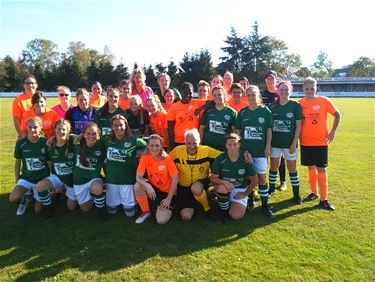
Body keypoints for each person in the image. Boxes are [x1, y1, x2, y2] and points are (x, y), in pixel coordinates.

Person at [299, 77, 341, 210]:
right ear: (303, 89)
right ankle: (314, 193)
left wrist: (333, 131)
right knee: (310, 167)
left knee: (321, 169)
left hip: (321, 142)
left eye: (312, 88)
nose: (310, 91)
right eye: (307, 89)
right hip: (305, 142)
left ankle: (324, 199)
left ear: (316, 88)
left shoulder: (324, 101)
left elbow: (337, 115)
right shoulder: (299, 103)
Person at [235, 85, 274, 218]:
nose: (251, 97)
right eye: (249, 95)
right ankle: (250, 200)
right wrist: (241, 149)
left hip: (260, 152)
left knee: (262, 179)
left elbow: (269, 130)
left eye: (253, 94)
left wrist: (268, 146)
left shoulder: (265, 111)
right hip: (246, 152)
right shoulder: (242, 112)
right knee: (248, 177)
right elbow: (238, 132)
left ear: (258, 95)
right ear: (246, 96)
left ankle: (264, 206)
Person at [169, 129, 221, 221]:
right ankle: (195, 203)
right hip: (183, 187)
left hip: (200, 183)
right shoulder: (177, 151)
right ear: (184, 141)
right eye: (189, 143)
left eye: (195, 143)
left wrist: (243, 154)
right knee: (186, 217)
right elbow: (165, 160)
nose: (192, 146)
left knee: (195, 188)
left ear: (199, 140)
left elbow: (223, 155)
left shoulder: (206, 150)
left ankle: (207, 209)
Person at [103, 114, 147, 216]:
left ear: (126, 126)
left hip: (128, 181)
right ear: (112, 127)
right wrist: (79, 136)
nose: (118, 128)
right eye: (115, 125)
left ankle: (134, 204)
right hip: (111, 180)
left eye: (121, 125)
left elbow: (149, 147)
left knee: (129, 213)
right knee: (112, 211)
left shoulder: (134, 140)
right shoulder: (106, 139)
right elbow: (91, 140)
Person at [268, 81, 302, 204]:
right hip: (275, 143)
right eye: (281, 89)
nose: (284, 92)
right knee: (273, 167)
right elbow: (269, 128)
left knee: (292, 169)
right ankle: (271, 189)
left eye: (286, 89)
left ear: (291, 90)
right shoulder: (272, 107)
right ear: (278, 91)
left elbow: (298, 126)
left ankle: (296, 195)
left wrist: (294, 143)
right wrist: (269, 143)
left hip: (290, 144)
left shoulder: (295, 106)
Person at [211, 133, 258, 221]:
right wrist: (224, 182)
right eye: (229, 144)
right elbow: (213, 179)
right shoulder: (220, 159)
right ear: (225, 145)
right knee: (222, 188)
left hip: (240, 190)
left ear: (239, 144)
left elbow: (254, 181)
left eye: (235, 144)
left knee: (236, 216)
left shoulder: (246, 159)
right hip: (225, 188)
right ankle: (223, 212)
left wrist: (244, 194)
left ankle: (224, 203)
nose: (232, 147)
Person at [134, 134, 179, 224]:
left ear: (161, 146)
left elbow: (175, 179)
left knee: (161, 220)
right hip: (154, 189)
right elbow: (138, 177)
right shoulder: (145, 157)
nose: (154, 148)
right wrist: (148, 186)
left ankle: (164, 206)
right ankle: (146, 212)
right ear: (148, 146)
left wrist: (169, 199)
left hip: (168, 192)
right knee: (137, 186)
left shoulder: (167, 159)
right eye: (152, 145)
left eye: (157, 145)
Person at [10, 116, 50, 215]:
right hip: (27, 178)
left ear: (40, 127)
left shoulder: (45, 142)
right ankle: (25, 198)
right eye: (30, 127)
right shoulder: (21, 144)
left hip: (42, 180)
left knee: (38, 210)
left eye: (35, 127)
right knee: (13, 198)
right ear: (26, 127)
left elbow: (50, 162)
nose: (32, 129)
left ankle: (32, 194)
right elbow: (17, 163)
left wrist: (50, 180)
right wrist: (17, 180)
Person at [36, 119, 76, 214]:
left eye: (64, 129)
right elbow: (50, 163)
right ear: (54, 129)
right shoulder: (50, 145)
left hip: (72, 180)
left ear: (68, 131)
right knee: (40, 186)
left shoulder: (73, 141)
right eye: (58, 129)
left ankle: (65, 194)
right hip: (58, 178)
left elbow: (84, 137)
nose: (61, 132)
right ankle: (49, 206)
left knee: (71, 208)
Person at [72, 122, 106, 217]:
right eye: (88, 133)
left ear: (98, 135)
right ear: (84, 134)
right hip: (79, 182)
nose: (91, 136)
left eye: (94, 133)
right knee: (85, 209)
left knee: (97, 188)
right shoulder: (76, 144)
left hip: (93, 179)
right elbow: (63, 134)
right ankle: (95, 197)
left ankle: (101, 211)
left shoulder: (102, 146)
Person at [262, 70, 287, 191]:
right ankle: (264, 180)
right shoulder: (262, 94)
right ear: (265, 80)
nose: (270, 80)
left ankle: (282, 181)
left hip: (279, 130)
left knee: (280, 156)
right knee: (264, 155)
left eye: (272, 78)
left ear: (276, 80)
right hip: (265, 129)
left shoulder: (280, 92)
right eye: (268, 78)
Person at [167, 82, 204, 150]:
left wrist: (200, 108)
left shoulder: (197, 103)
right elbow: (170, 129)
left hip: (193, 142)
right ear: (181, 92)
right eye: (185, 92)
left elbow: (212, 102)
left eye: (190, 92)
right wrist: (171, 146)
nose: (188, 95)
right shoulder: (174, 107)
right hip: (178, 142)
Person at [199, 86, 237, 151]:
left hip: (223, 148)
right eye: (215, 95)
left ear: (224, 95)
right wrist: (200, 144)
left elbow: (234, 132)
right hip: (208, 148)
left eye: (219, 95)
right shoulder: (208, 111)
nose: (217, 97)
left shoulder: (232, 112)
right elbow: (201, 129)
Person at [12, 75, 38, 139]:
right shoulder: (18, 100)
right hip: (25, 134)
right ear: (24, 85)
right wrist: (21, 134)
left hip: (40, 134)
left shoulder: (40, 98)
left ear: (36, 85)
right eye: (27, 83)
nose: (30, 85)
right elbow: (16, 121)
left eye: (32, 83)